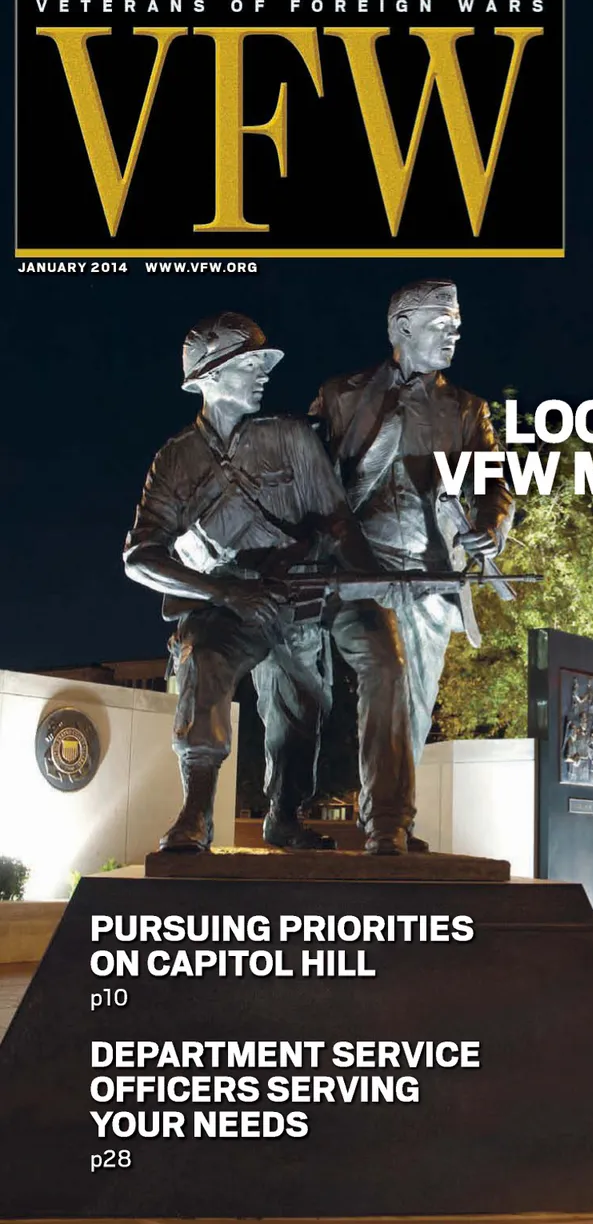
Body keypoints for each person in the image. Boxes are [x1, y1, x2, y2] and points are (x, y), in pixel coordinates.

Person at [123, 312, 415, 855]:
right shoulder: (176, 460)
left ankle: (297, 816)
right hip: (228, 602)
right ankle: (195, 813)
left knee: (303, 707)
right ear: (209, 377)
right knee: (204, 660)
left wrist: (371, 580)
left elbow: (339, 524)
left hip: (301, 591)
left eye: (263, 363)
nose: (263, 372)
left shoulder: (290, 436)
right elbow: (140, 556)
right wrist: (225, 593)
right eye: (249, 363)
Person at [309, 281, 514, 841]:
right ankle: (387, 822)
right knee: (389, 675)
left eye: (457, 326)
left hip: (430, 574)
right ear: (402, 327)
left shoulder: (467, 409)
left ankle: (392, 816)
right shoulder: (340, 395)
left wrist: (491, 527)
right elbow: (305, 478)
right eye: (442, 324)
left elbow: (496, 482)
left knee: (416, 703)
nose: (455, 335)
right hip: (360, 571)